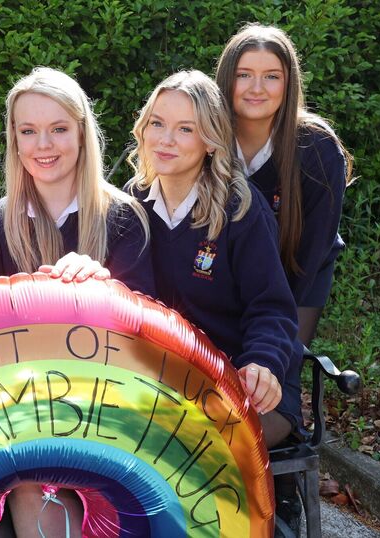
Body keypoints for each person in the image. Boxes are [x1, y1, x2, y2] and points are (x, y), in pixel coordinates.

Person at [0, 66, 155, 538]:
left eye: (58, 129)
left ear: (81, 132)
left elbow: (149, 342)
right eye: (28, 131)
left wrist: (109, 292)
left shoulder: (122, 218)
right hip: (24, 410)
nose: (43, 145)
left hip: (111, 409)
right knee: (32, 482)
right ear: (14, 139)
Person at [126, 70, 299, 448]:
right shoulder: (129, 205)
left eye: (186, 129)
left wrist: (263, 364)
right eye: (157, 123)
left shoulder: (241, 211)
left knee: (182, 448)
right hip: (160, 386)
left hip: (241, 385)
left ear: (210, 140)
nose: (166, 139)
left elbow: (271, 308)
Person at [215, 23, 353, 347]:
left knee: (275, 373)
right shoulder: (205, 139)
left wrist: (268, 330)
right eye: (244, 74)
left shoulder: (319, 151)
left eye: (272, 76)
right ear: (226, 79)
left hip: (297, 275)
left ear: (288, 84)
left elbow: (312, 251)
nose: (257, 88)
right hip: (221, 275)